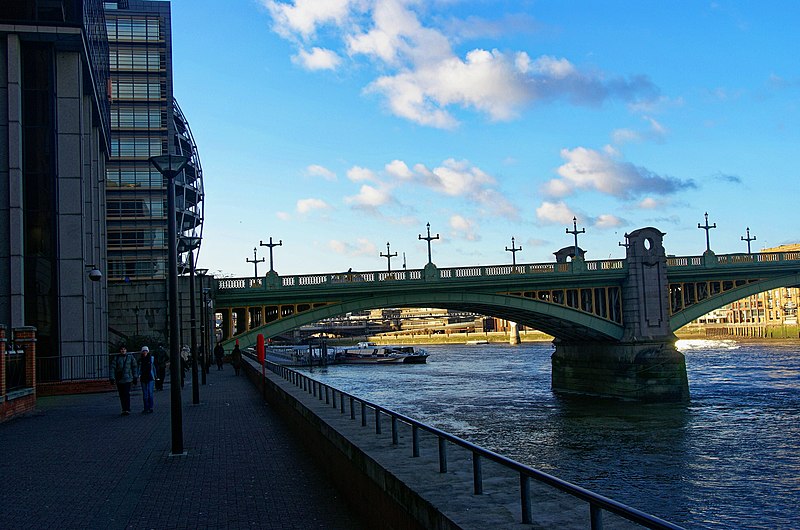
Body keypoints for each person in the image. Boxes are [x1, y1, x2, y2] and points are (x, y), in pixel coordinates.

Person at [109, 344, 139, 415]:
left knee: (126, 393)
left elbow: (134, 367)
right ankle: (124, 408)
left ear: (126, 350)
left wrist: (135, 376)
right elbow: (112, 368)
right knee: (121, 394)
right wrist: (112, 378)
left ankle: (127, 408)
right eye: (122, 349)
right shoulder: (116, 358)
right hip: (119, 379)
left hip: (128, 378)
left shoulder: (130, 357)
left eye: (124, 349)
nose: (123, 350)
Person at [138, 346, 157, 413]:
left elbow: (153, 367)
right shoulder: (140, 360)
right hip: (143, 377)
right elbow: (139, 368)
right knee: (145, 394)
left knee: (150, 393)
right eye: (143, 351)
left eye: (146, 351)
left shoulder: (151, 359)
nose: (145, 352)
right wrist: (138, 375)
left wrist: (155, 375)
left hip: (150, 377)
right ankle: (146, 407)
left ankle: (150, 407)